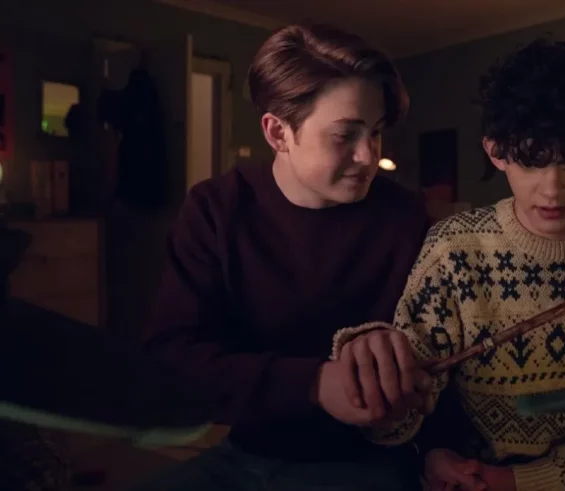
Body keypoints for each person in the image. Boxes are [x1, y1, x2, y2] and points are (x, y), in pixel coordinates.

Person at [333, 38, 565, 491]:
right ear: (496, 151)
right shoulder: (454, 250)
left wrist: (518, 481)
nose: (552, 189)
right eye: (530, 161)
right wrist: (423, 445)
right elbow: (402, 419)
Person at [133, 24, 433, 491]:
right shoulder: (216, 209)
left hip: (370, 463)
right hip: (242, 456)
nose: (368, 156)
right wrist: (313, 383)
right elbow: (172, 357)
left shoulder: (407, 218)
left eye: (375, 133)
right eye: (345, 135)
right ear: (277, 132)